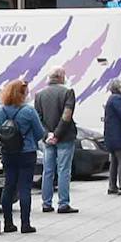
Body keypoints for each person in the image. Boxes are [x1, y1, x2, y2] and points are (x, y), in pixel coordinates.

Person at [0, 79, 42, 234]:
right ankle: (25, 224)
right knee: (25, 187)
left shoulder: (0, 111)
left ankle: (8, 223)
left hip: (8, 152)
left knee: (9, 186)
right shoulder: (29, 111)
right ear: (22, 94)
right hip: (27, 152)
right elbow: (39, 132)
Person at [34, 68, 79, 214]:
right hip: (65, 137)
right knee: (64, 170)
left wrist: (47, 135)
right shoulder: (68, 92)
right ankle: (63, 203)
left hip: (47, 140)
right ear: (60, 77)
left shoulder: (39, 95)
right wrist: (57, 135)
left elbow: (38, 118)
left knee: (48, 170)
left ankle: (46, 203)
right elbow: (67, 116)